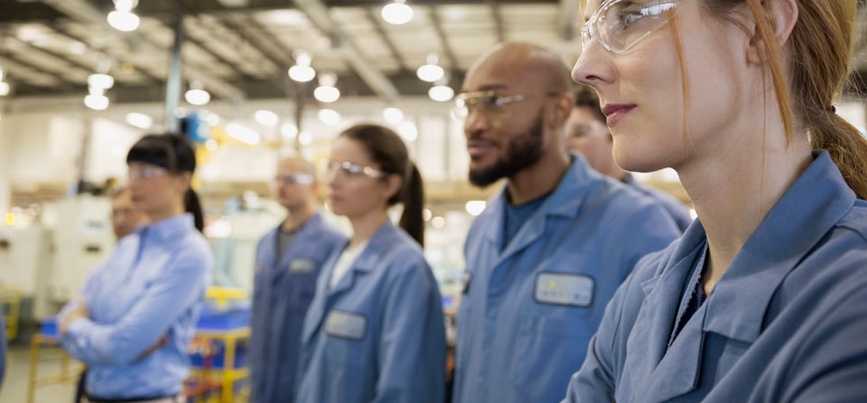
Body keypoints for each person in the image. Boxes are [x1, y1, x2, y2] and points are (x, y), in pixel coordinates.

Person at [564, 0, 867, 402]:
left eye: (630, 16)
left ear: (760, 30)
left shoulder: (851, 296)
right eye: (589, 33)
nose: (584, 69)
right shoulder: (643, 296)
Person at [451, 43, 680, 403]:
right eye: (469, 105)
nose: (473, 125)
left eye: (494, 102)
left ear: (558, 111)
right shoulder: (483, 229)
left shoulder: (635, 227)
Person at [296, 124, 446, 403]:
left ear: (389, 185)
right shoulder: (338, 258)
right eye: (331, 167)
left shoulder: (405, 269)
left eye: (351, 171)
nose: (333, 180)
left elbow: (406, 390)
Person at [59, 133, 213, 403]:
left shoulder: (190, 254)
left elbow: (121, 345)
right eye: (130, 173)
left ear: (182, 180)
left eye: (146, 172)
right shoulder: (128, 247)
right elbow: (71, 315)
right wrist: (90, 332)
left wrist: (77, 327)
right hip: (94, 394)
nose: (133, 184)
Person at [249, 156, 346, 403]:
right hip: (262, 378)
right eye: (278, 179)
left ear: (314, 186)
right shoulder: (264, 244)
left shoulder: (332, 244)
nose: (282, 185)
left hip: (305, 376)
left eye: (291, 179)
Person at [567, 85, 692, 231]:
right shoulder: (563, 213)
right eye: (562, 134)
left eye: (580, 132)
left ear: (614, 135)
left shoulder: (664, 215)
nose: (566, 144)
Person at [73, 187, 150, 403]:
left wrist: (88, 333)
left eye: (128, 212)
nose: (120, 220)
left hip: (140, 391)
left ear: (146, 213)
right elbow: (70, 319)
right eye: (115, 213)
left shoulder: (156, 270)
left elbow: (135, 341)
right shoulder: (101, 271)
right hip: (96, 382)